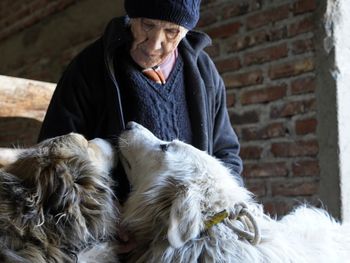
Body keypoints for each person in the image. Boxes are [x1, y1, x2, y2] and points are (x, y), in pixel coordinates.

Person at [38, 0, 244, 202]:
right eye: (147, 25)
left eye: (171, 31)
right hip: (113, 225)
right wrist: (105, 217)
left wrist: (223, 205)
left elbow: (225, 153)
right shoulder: (89, 67)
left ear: (185, 31)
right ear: (132, 18)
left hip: (188, 222)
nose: (154, 44)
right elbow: (55, 159)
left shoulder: (203, 71)